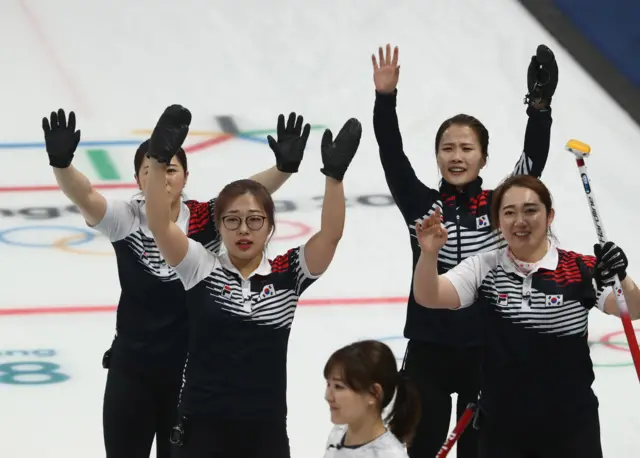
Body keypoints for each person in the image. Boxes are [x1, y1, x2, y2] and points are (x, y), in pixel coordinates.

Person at [41, 108, 311, 458]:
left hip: (187, 380)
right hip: (132, 371)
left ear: (185, 177)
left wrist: (284, 168)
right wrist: (61, 165)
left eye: (171, 169)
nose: (163, 177)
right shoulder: (126, 218)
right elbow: (85, 195)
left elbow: (248, 195)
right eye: (153, 169)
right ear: (139, 179)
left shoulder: (204, 219)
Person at [371, 43, 558, 457]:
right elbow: (391, 154)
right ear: (437, 156)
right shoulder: (421, 205)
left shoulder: (499, 207)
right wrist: (386, 98)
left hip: (486, 354)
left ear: (484, 157)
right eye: (448, 148)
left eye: (466, 148)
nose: (457, 157)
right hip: (429, 355)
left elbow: (533, 162)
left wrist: (539, 108)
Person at [143, 104, 362, 458]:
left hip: (266, 432)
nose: (243, 230)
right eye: (232, 220)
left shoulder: (289, 273)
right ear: (218, 226)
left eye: (254, 220)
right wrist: (156, 160)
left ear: (271, 226)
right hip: (202, 430)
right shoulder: (201, 266)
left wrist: (334, 177)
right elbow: (158, 224)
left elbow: (331, 236)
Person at [412, 174, 640, 458]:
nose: (520, 220)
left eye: (530, 210)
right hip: (502, 428)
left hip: (571, 428)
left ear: (549, 216)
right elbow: (429, 295)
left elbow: (632, 308)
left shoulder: (581, 268)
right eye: (509, 212)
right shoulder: (484, 268)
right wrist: (429, 254)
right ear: (498, 221)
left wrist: (622, 276)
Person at [323, 339, 421, 458]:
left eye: (338, 386)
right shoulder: (339, 432)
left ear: (374, 393)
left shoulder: (388, 455)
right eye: (329, 385)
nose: (328, 396)